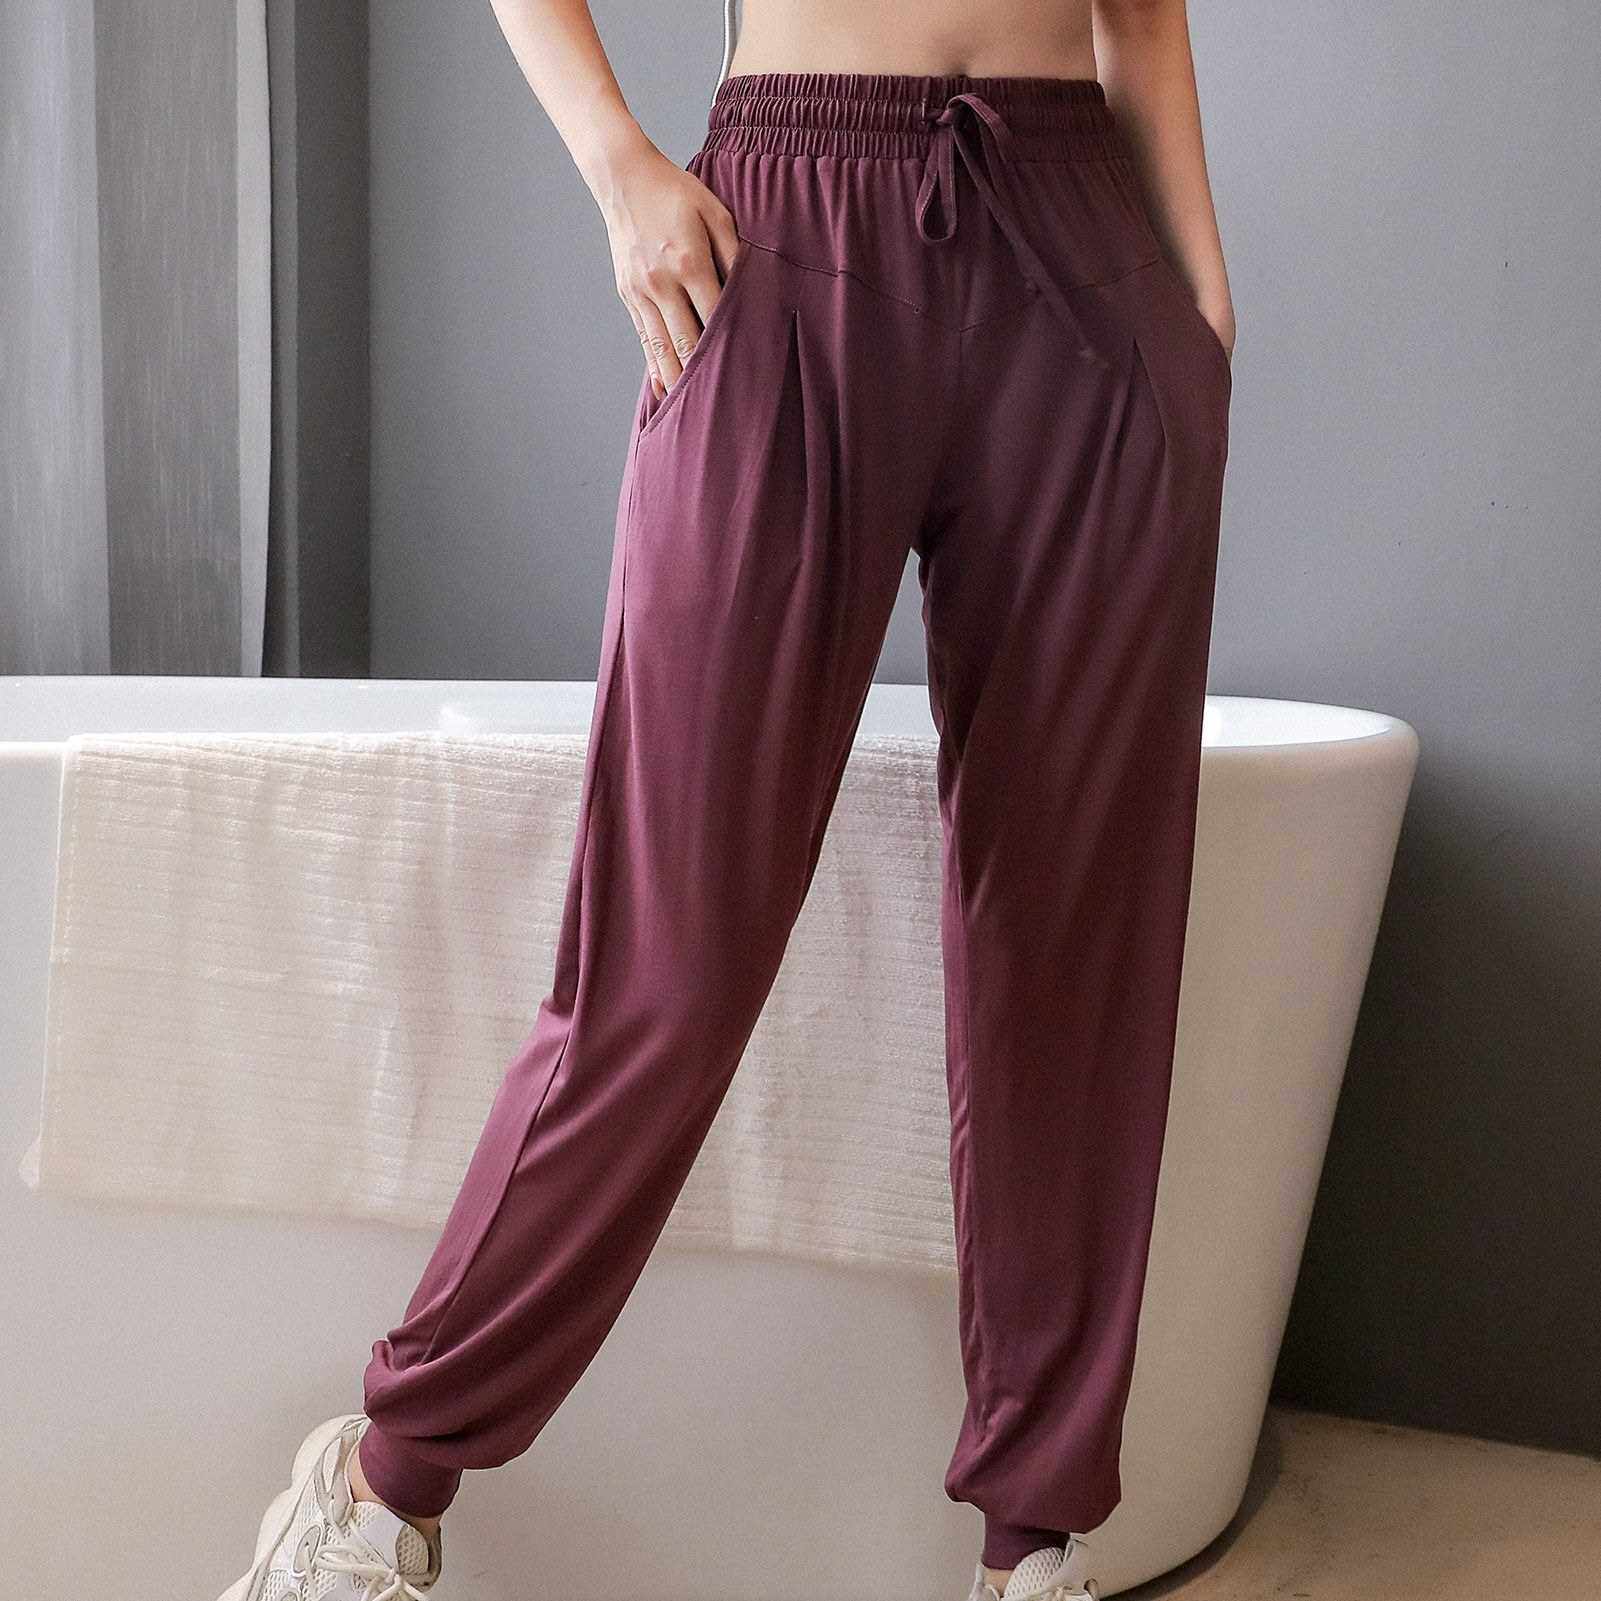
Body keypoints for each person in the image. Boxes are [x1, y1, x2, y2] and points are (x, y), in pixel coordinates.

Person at [217, 0, 1234, 1596]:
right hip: (790, 226)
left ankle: (1032, 1543)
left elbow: (1143, 18)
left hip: (1084, 249)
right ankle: (380, 1482)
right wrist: (619, 166)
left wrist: (1198, 312)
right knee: (669, 953)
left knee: (1072, 944)